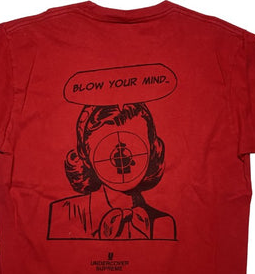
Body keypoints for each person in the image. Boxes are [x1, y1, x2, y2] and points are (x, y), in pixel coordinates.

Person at [47, 102, 176, 240]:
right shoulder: (61, 215)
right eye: (106, 147)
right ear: (86, 155)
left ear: (151, 148)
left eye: (135, 143)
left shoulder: (162, 223)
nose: (123, 156)